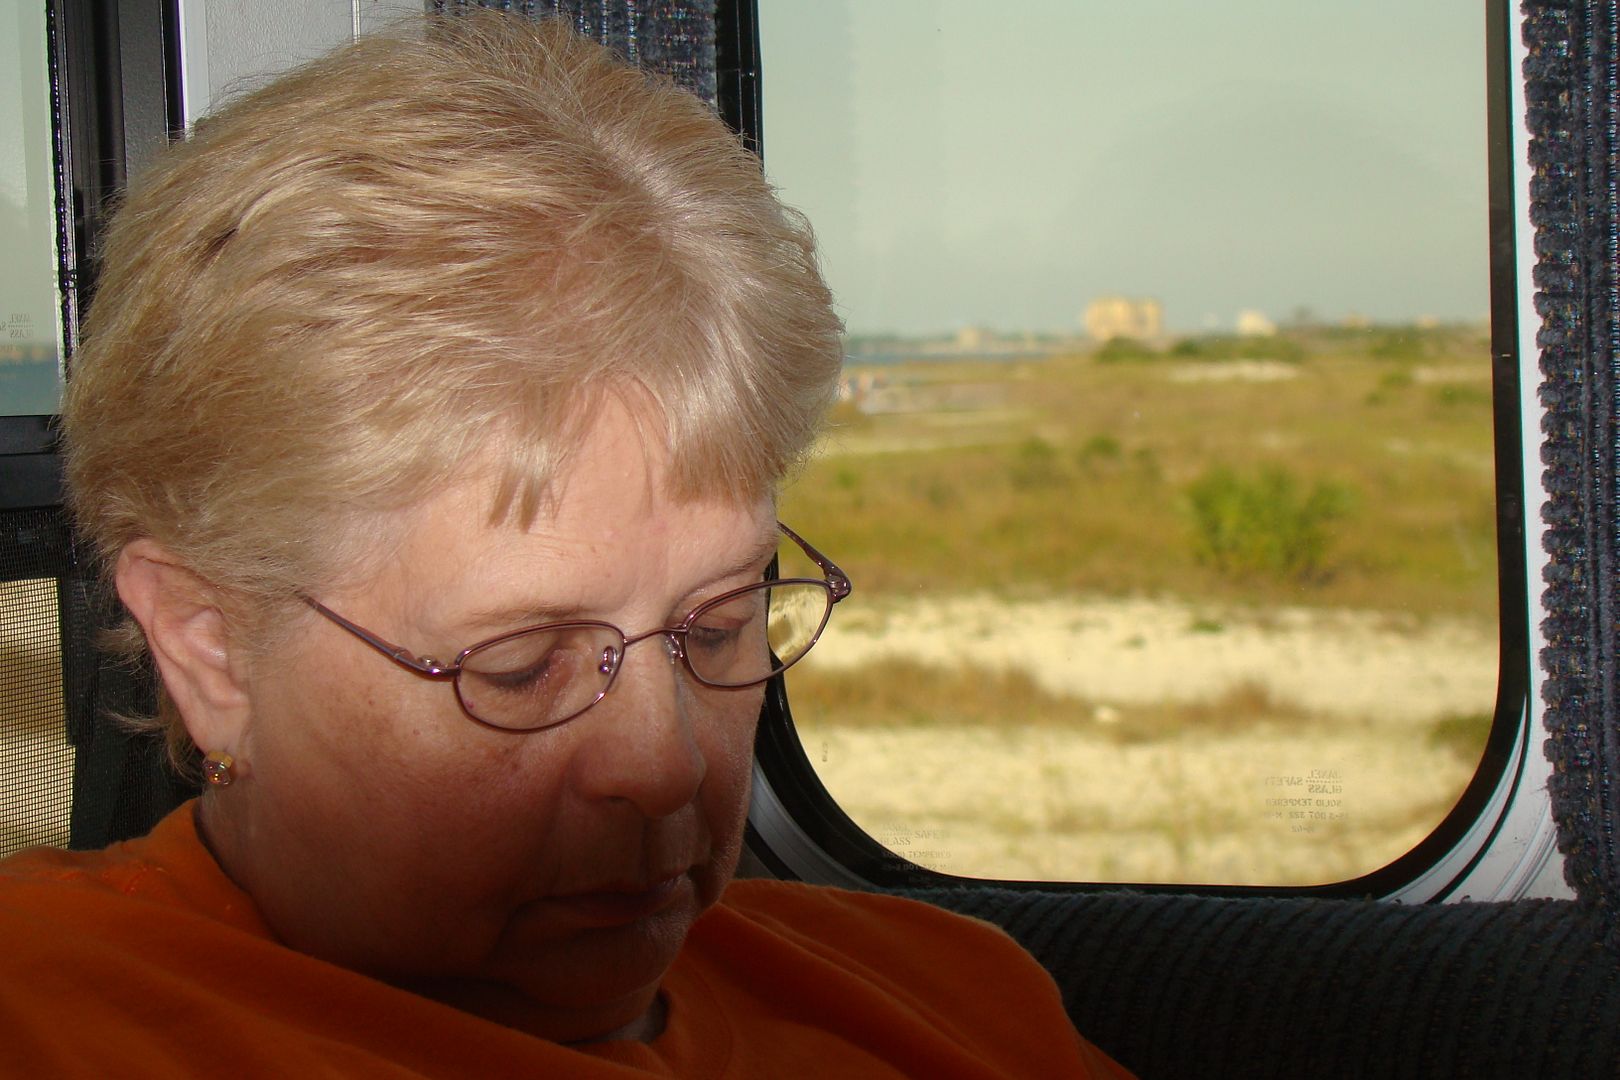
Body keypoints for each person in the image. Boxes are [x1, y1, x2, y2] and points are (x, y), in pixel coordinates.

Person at [0, 14, 1130, 1077]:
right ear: (209, 647)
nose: (665, 766)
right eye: (520, 665)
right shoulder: (49, 1019)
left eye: (716, 627)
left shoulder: (959, 997)